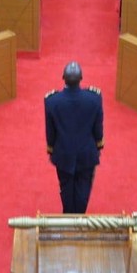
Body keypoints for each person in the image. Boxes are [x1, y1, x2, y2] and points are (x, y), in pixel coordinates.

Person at [45, 62, 104, 213]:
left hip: (63, 153)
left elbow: (50, 131)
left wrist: (51, 149)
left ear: (63, 78)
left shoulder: (52, 101)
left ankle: (67, 216)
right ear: (81, 78)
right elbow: (98, 128)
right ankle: (80, 217)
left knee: (66, 188)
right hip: (87, 153)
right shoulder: (94, 99)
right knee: (83, 189)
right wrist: (99, 145)